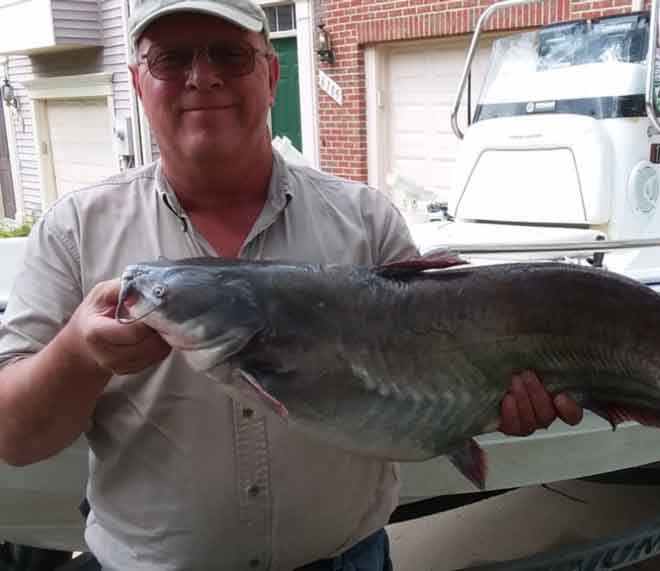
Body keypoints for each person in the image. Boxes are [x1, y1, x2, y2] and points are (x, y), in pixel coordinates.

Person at [0, 0, 582, 568]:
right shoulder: (75, 232)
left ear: (272, 72)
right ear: (136, 81)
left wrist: (496, 397)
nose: (202, 78)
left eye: (230, 55)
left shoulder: (366, 221)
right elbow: (13, 438)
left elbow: (436, 379)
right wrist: (78, 353)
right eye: (171, 60)